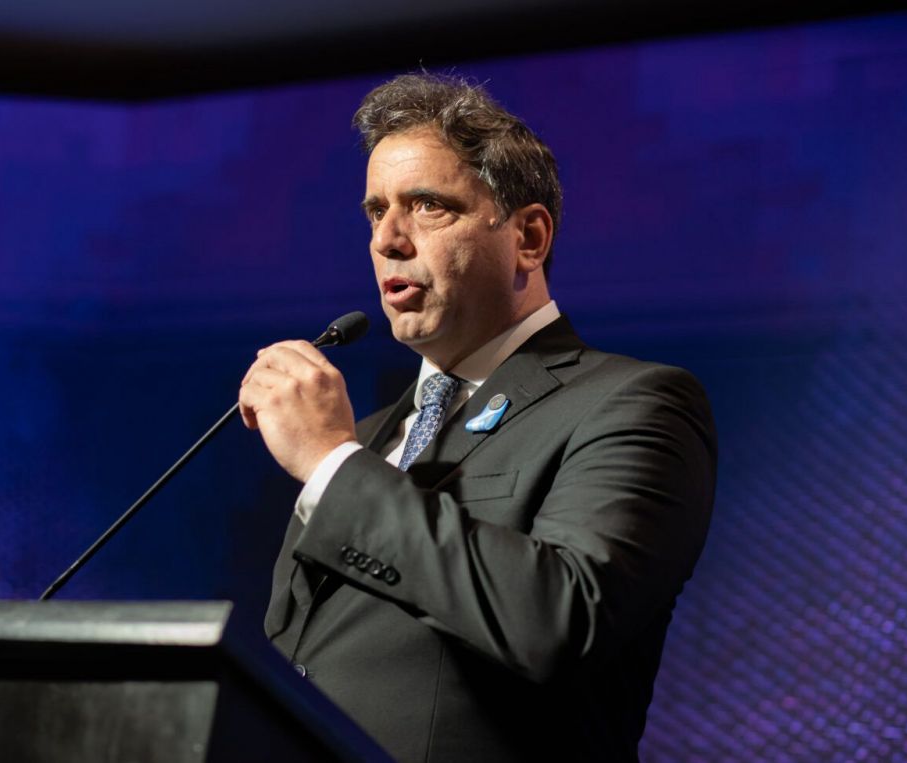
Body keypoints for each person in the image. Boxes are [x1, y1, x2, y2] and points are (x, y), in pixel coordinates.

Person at [238, 73, 717, 762]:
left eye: (427, 206)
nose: (387, 239)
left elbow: (563, 617)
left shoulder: (635, 403)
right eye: (375, 211)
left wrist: (332, 465)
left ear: (529, 237)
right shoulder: (367, 436)